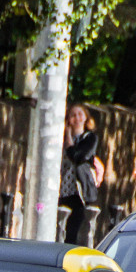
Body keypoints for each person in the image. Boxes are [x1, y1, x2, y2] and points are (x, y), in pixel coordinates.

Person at [58, 104, 101, 245]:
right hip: (62, 191)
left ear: (86, 117)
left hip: (79, 192)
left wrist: (69, 138)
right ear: (68, 119)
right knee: (59, 231)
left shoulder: (90, 138)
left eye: (80, 114)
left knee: (73, 232)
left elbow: (77, 157)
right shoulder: (59, 139)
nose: (77, 118)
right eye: (73, 115)